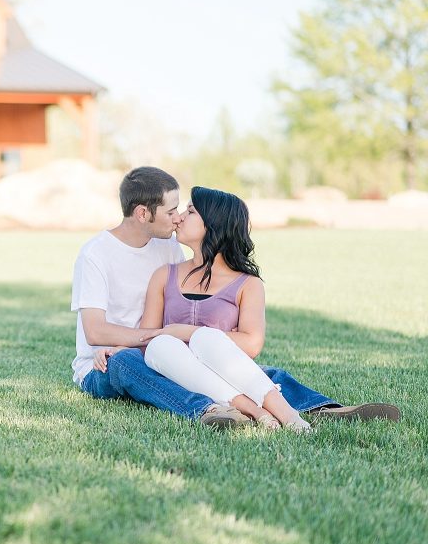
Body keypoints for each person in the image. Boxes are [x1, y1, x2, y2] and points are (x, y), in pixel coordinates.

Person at [71, 166, 400, 427]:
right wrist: (146, 340)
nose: (178, 217)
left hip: (169, 350)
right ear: (143, 214)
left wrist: (185, 340)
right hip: (111, 360)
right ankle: (208, 409)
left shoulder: (167, 247)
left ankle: (322, 408)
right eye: (172, 211)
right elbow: (97, 332)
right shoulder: (97, 255)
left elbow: (208, 315)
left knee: (244, 369)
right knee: (130, 363)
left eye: (185, 210)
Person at [141, 187, 310, 431]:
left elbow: (252, 344)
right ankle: (256, 410)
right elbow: (147, 337)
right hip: (176, 370)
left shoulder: (248, 283)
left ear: (214, 224)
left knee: (205, 339)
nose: (179, 217)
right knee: (159, 345)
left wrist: (186, 332)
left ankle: (289, 415)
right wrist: (118, 349)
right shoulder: (164, 275)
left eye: (190, 211)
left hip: (226, 368)